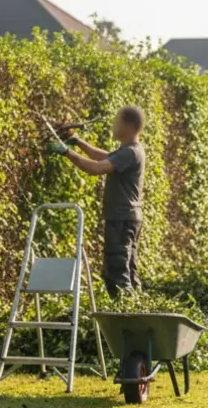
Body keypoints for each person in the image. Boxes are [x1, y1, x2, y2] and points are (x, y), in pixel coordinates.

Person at [48, 106, 147, 298]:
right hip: (127, 218)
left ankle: (124, 318)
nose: (113, 125)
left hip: (121, 219)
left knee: (117, 273)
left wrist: (66, 152)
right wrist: (77, 141)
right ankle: (136, 311)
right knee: (128, 270)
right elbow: (104, 157)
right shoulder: (130, 151)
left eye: (117, 121)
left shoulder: (130, 152)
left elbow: (96, 168)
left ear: (127, 124)